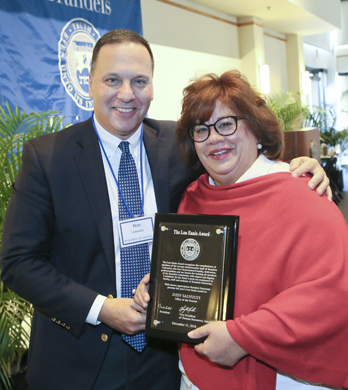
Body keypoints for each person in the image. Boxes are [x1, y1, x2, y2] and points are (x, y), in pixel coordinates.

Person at [0, 30, 329, 390]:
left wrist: (293, 168)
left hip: (164, 358)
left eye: (139, 81)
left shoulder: (180, 144)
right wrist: (103, 309)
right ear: (90, 81)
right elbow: (18, 262)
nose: (127, 94)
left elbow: (234, 155)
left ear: (152, 87)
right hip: (79, 359)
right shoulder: (47, 157)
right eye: (113, 79)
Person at [134, 70, 348, 390]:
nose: (215, 139)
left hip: (281, 378)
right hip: (192, 376)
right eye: (201, 129)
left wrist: (244, 336)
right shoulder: (193, 197)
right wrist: (159, 288)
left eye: (226, 124)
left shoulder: (302, 196)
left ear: (255, 127)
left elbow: (333, 291)